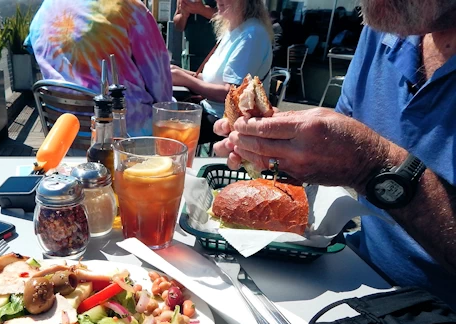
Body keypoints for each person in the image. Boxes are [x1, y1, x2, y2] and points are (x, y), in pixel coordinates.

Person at [212, 0, 456, 305]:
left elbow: (359, 156)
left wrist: (372, 165)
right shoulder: (386, 25)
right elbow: (331, 155)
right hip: (353, 273)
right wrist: (278, 150)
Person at [24, 0, 172, 136]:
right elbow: (161, 91)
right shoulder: (130, 7)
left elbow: (30, 45)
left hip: (63, 136)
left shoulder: (45, 10)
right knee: (179, 118)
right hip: (126, 137)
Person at [170, 0, 273, 144]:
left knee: (167, 131)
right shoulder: (234, 30)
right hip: (209, 110)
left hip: (228, 121)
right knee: (159, 115)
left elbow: (230, 94)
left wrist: (185, 79)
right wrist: (178, 72)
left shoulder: (252, 35)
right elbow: (211, 79)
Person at [173, 0, 218, 72]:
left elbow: (231, 16)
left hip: (216, 55)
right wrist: (184, 16)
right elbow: (178, 26)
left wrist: (202, 10)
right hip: (191, 58)